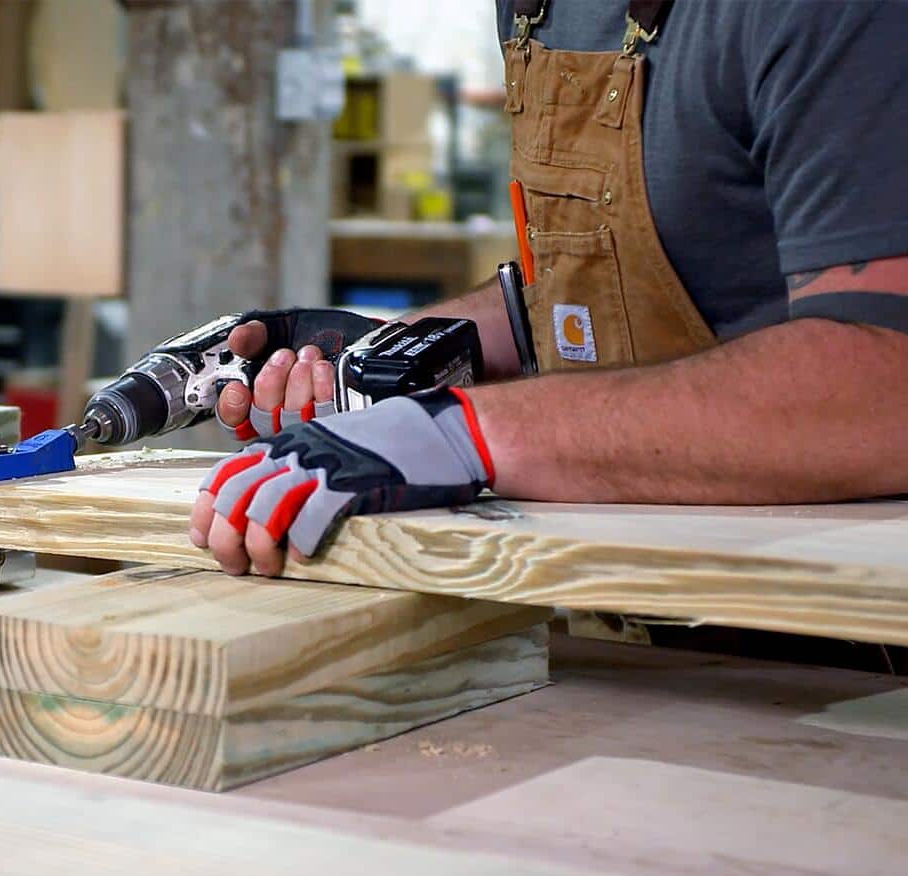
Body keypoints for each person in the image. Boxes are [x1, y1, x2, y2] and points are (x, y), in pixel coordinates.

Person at [188, 0, 908, 577]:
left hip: (836, 639)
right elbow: (606, 290)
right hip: (621, 597)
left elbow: (885, 386)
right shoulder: (535, 10)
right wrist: (392, 353)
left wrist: (471, 429)